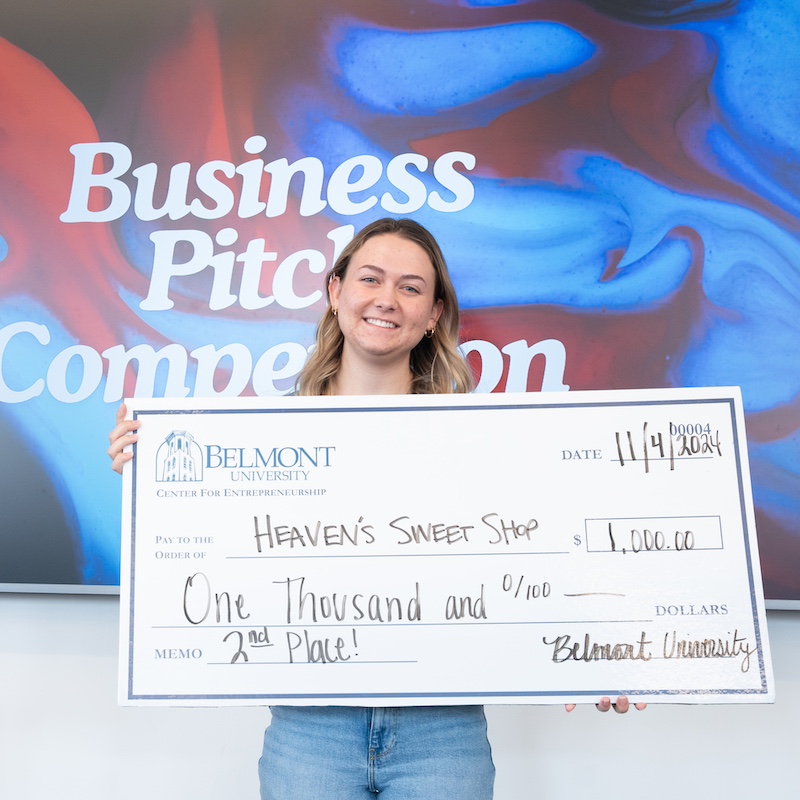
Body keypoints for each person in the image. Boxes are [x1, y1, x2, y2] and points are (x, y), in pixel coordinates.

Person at [108, 217, 644, 799]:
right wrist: (152, 478)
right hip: (309, 733)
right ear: (336, 292)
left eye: (411, 287)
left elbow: (547, 553)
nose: (387, 300)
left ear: (434, 314)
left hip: (443, 734)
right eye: (370, 279)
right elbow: (211, 562)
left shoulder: (485, 442)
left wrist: (603, 647)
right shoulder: (253, 443)